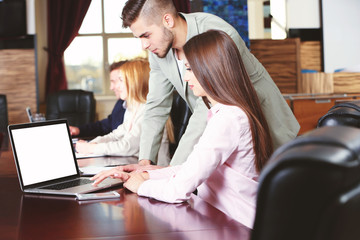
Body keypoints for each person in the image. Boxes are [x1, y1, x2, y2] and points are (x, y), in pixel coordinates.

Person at [92, 30, 273, 229]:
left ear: (209, 69)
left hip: (236, 226)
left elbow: (178, 191)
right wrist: (146, 174)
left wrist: (141, 185)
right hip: (221, 218)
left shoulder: (229, 119)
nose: (186, 78)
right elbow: (192, 169)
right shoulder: (227, 113)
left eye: (189, 68)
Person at [120, 0, 299, 167]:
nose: (144, 45)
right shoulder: (158, 51)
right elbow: (156, 105)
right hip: (223, 135)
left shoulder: (216, 34)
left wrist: (173, 170)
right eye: (139, 38)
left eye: (146, 35)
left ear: (167, 20)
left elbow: (206, 105)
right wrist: (144, 163)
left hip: (265, 129)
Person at [76, 59, 170, 166]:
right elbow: (115, 135)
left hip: (157, 173)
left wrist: (92, 148)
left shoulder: (148, 111)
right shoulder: (134, 109)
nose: (116, 86)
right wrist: (93, 143)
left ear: (135, 83)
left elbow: (127, 146)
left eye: (121, 80)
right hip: (138, 167)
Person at [69, 61, 127, 138]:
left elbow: (125, 144)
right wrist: (79, 130)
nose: (111, 87)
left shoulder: (142, 110)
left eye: (114, 81)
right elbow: (106, 125)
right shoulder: (121, 102)